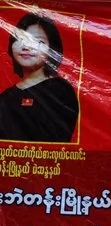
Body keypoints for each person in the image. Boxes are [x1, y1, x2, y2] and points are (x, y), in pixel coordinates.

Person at [0, 12, 79, 142]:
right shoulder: (5, 97)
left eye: (38, 41)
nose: (26, 47)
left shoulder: (60, 91)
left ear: (52, 51)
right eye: (20, 39)